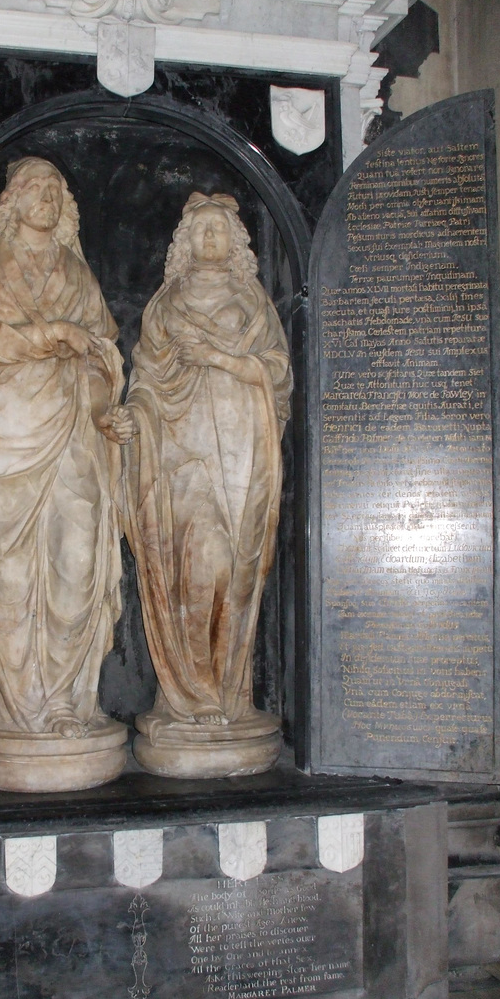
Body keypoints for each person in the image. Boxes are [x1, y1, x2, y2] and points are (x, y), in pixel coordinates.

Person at [0, 157, 133, 753]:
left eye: (58, 188)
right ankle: (21, 704)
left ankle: (67, 699)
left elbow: (103, 357)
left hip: (75, 439)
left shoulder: (78, 274)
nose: (49, 197)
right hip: (6, 442)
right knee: (13, 577)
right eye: (37, 188)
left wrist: (106, 412)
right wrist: (43, 335)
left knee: (77, 567)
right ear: (12, 200)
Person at [124, 192, 292, 764]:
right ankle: (188, 696)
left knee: (238, 569)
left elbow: (276, 374)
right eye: (201, 231)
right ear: (184, 242)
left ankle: (230, 694)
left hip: (242, 451)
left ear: (237, 242)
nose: (211, 240)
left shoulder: (254, 303)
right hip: (183, 455)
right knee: (199, 564)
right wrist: (134, 417)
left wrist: (218, 357)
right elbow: (145, 380)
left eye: (221, 230)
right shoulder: (165, 306)